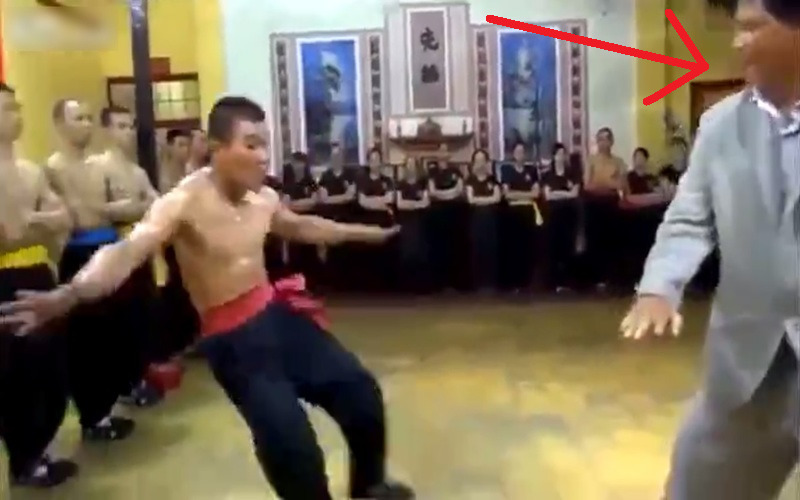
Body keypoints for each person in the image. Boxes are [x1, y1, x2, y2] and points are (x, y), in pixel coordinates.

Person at [0, 96, 413, 500]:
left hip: (274, 314)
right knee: (292, 445)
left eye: (265, 145)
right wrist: (70, 293)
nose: (263, 156)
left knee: (361, 392)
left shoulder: (263, 198)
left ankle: (369, 487)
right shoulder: (184, 201)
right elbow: (127, 250)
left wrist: (368, 234)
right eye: (251, 145)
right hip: (233, 341)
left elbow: (304, 226)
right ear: (217, 149)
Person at [620, 1, 799, 498]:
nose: (737, 43)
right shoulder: (720, 125)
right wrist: (659, 287)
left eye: (752, 29)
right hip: (748, 362)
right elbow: (688, 217)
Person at [45, 98, 139, 441]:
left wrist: (109, 209)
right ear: (60, 124)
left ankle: (107, 408)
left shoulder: (99, 166)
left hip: (108, 248)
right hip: (78, 253)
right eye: (78, 118)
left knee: (114, 335)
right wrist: (106, 210)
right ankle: (93, 416)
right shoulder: (53, 168)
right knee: (87, 341)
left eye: (88, 117)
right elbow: (74, 217)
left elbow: (126, 204)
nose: (86, 124)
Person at [0, 83, 77, 488]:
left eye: (16, 107)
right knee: (19, 374)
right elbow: (7, 235)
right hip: (5, 280)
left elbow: (65, 218)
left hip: (39, 274)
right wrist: (38, 223)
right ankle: (24, 460)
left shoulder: (31, 171)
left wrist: (32, 223)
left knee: (52, 372)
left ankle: (39, 449)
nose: (15, 115)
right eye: (5, 109)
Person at [92, 105, 162, 407]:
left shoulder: (137, 172)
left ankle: (137, 378)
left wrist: (131, 205)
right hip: (113, 249)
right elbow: (98, 210)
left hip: (139, 249)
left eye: (131, 126)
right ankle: (120, 385)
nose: (128, 133)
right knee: (117, 320)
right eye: (120, 126)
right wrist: (136, 206)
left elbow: (157, 204)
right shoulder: (98, 167)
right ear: (106, 130)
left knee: (141, 316)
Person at [618, 147, 669, 290]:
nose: (639, 160)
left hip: (650, 219)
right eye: (636, 157)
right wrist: (649, 198)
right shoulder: (628, 177)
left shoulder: (652, 178)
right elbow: (628, 197)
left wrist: (653, 196)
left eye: (641, 157)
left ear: (646, 160)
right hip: (633, 219)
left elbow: (662, 196)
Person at [583, 127, 626, 291]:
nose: (602, 143)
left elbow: (621, 184)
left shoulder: (618, 162)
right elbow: (588, 185)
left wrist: (603, 182)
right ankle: (594, 279)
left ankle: (610, 278)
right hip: (594, 204)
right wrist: (609, 182)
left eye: (605, 139)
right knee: (594, 241)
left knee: (611, 242)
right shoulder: (591, 160)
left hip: (611, 204)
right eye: (599, 139)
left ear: (611, 141)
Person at [499, 142, 541, 293]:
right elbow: (507, 194)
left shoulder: (532, 170)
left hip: (528, 211)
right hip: (513, 213)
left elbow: (536, 193)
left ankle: (527, 282)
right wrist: (526, 194)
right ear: (513, 154)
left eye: (522, 151)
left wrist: (518, 194)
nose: (520, 154)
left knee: (528, 247)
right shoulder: (506, 170)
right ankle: (514, 282)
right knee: (514, 248)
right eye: (517, 151)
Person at [355, 147, 396, 292]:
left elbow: (390, 199)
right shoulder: (362, 180)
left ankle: (385, 286)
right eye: (372, 160)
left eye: (377, 160)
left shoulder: (387, 180)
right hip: (367, 222)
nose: (375, 163)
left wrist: (371, 200)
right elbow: (362, 202)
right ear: (368, 162)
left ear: (381, 162)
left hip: (384, 222)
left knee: (385, 254)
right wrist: (381, 203)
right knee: (368, 254)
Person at [317, 143, 357, 291]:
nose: (336, 158)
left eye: (339, 155)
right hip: (329, 218)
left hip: (347, 217)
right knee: (328, 252)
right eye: (334, 156)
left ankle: (347, 284)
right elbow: (323, 199)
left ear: (342, 157)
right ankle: (330, 284)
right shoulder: (325, 176)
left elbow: (351, 196)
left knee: (347, 252)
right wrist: (343, 197)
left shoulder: (350, 174)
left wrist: (334, 198)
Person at [541, 143, 580, 293]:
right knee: (553, 248)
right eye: (559, 154)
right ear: (554, 156)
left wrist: (557, 193)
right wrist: (565, 193)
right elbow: (548, 196)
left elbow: (575, 193)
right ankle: (553, 282)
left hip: (569, 215)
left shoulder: (572, 174)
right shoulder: (548, 175)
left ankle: (567, 282)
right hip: (553, 216)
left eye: (564, 154)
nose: (561, 157)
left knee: (567, 246)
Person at [427, 157, 466, 292]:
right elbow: (432, 192)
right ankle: (439, 283)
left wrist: (442, 194)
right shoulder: (432, 173)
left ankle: (455, 283)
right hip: (437, 217)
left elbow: (459, 190)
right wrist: (450, 194)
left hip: (454, 216)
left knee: (454, 249)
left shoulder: (456, 171)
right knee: (439, 250)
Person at [465, 149, 501, 292]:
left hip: (491, 220)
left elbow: (497, 198)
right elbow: (471, 200)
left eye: (482, 160)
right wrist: (488, 199)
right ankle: (478, 283)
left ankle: (490, 283)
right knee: (477, 249)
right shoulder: (470, 180)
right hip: (476, 219)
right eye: (477, 160)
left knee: (490, 249)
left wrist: (480, 199)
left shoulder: (492, 180)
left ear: (486, 162)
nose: (480, 163)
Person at [395, 156, 431, 294]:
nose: (410, 167)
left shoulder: (423, 183)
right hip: (406, 223)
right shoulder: (401, 184)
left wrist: (410, 204)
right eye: (408, 164)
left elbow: (426, 203)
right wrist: (417, 204)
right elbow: (400, 204)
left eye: (413, 164)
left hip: (420, 222)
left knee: (420, 253)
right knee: (407, 253)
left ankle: (421, 287)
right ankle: (407, 287)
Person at [159, 128, 192, 192]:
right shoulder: (163, 178)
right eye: (181, 145)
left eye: (189, 145)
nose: (186, 149)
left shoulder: (191, 172)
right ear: (170, 147)